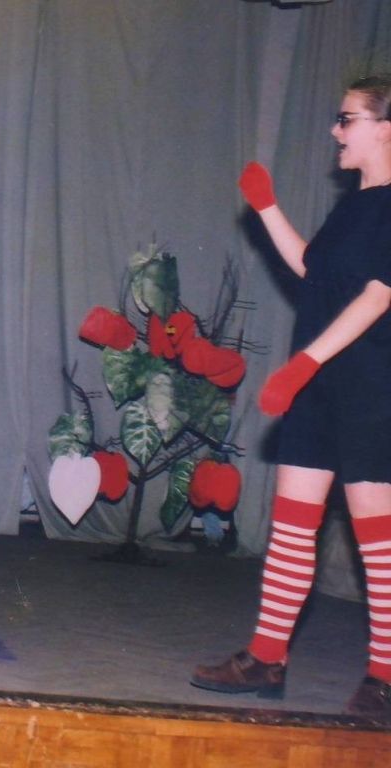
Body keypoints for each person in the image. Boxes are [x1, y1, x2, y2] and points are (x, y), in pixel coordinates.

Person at [190, 73, 391, 718]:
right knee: (291, 527)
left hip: (370, 387)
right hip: (316, 384)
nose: (335, 130)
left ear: (386, 129)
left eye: (347, 119)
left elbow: (377, 297)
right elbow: (313, 270)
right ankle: (267, 657)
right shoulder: (354, 205)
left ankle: (386, 674)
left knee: (377, 540)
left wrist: (304, 363)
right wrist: (268, 208)